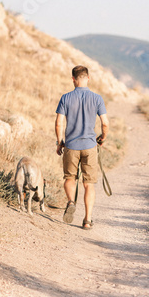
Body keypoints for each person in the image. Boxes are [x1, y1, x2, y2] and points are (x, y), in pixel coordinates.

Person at [55, 65, 109, 230]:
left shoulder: (66, 98)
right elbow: (105, 123)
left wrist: (59, 142)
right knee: (89, 184)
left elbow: (59, 123)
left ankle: (71, 201)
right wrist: (102, 138)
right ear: (88, 78)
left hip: (71, 145)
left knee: (70, 178)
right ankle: (87, 220)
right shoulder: (97, 98)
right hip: (90, 146)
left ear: (73, 79)